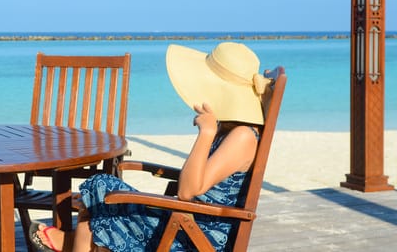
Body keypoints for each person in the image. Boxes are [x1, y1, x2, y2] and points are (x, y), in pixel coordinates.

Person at [29, 41, 271, 252]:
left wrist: (206, 132)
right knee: (101, 193)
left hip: (197, 235)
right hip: (187, 219)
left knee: (100, 194)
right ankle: (72, 244)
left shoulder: (243, 136)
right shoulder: (232, 129)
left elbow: (187, 192)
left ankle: (70, 243)